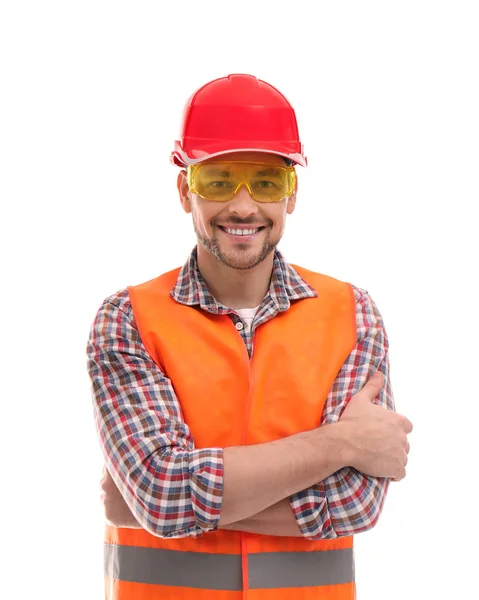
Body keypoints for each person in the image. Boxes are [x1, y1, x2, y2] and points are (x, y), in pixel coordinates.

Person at [86, 73, 413, 600]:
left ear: (292, 194)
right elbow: (161, 494)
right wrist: (341, 443)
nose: (243, 207)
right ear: (183, 189)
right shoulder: (128, 319)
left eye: (265, 182)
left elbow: (356, 503)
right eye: (218, 181)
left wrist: (170, 503)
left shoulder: (353, 313)